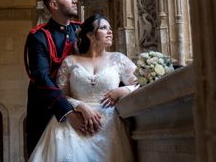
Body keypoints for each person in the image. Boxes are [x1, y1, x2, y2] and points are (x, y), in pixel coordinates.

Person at [28, 14, 137, 162]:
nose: (110, 31)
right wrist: (80, 106)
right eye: (104, 28)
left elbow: (141, 83)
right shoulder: (70, 61)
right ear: (90, 35)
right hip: (74, 123)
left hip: (109, 126)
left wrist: (122, 90)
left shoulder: (118, 59)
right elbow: (61, 95)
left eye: (110, 28)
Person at [24, 0, 91, 157]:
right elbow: (41, 76)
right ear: (54, 4)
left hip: (81, 101)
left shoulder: (81, 30)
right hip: (46, 107)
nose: (75, 0)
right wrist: (67, 111)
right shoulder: (39, 36)